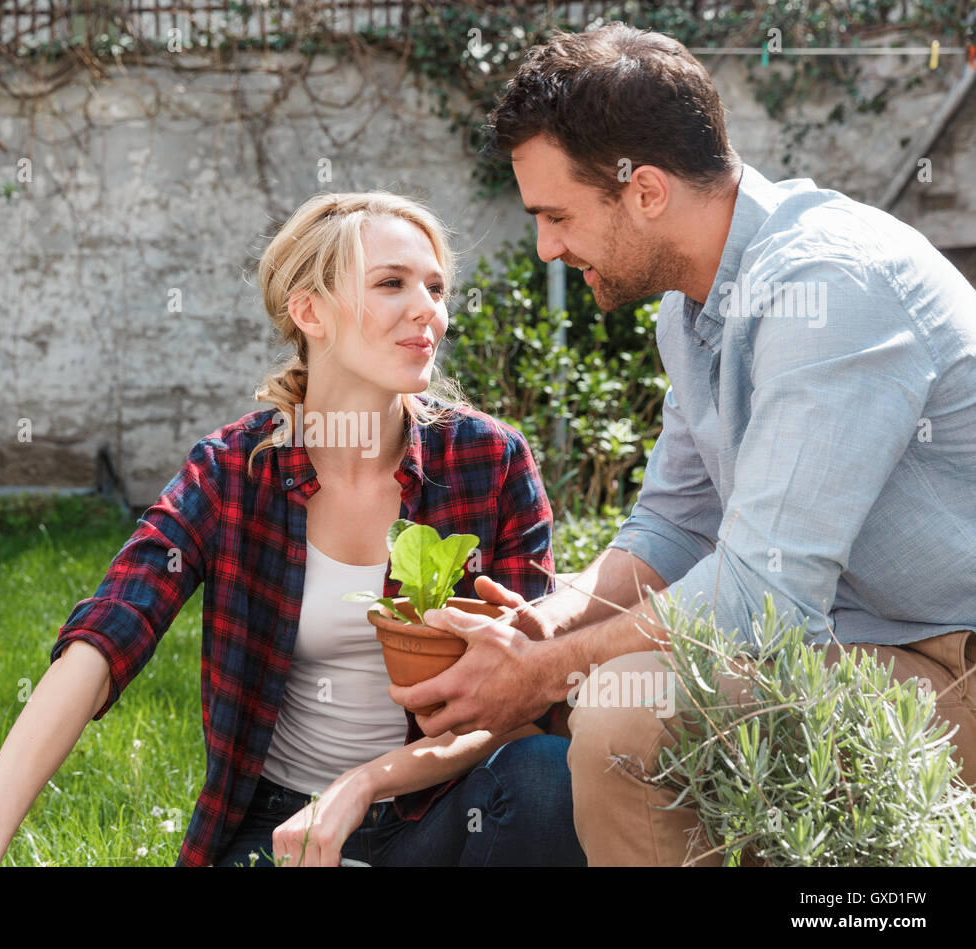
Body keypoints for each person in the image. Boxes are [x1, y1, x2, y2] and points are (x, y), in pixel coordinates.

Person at [389, 22, 976, 865]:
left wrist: (543, 674)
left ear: (648, 192)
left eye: (558, 215)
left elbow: (760, 604)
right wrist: (551, 620)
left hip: (950, 661)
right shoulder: (692, 307)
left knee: (628, 710)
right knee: (609, 685)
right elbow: (674, 526)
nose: (547, 245)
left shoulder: (830, 289)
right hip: (858, 647)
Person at [0, 190, 585, 867]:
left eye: (436, 287)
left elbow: (518, 695)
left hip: (441, 814)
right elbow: (107, 636)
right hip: (282, 829)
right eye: (392, 284)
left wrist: (366, 784)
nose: (431, 309)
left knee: (545, 771)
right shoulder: (231, 471)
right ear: (309, 311)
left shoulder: (490, 460)